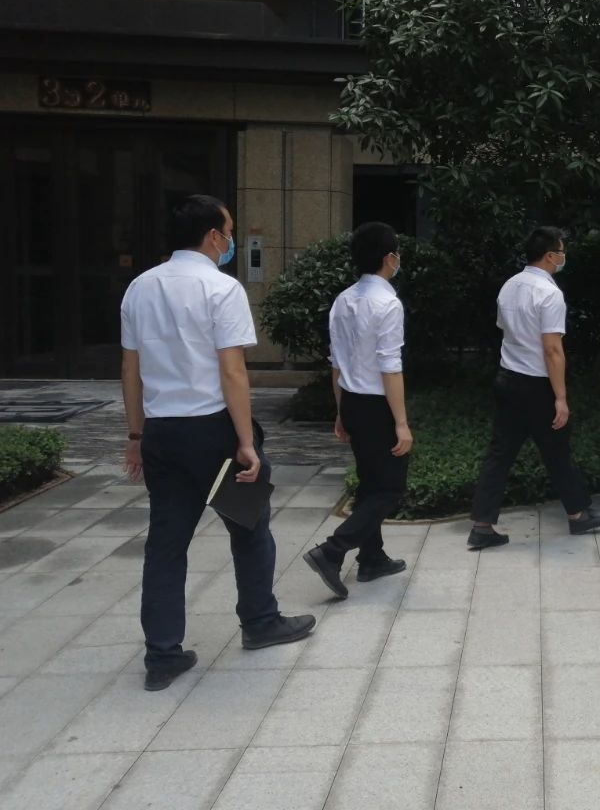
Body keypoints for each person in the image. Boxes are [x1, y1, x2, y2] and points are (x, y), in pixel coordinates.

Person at [121, 194, 315, 692]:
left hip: (162, 432)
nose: (230, 240)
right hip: (213, 432)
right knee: (249, 527)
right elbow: (233, 371)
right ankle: (260, 622)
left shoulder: (140, 287)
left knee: (165, 546)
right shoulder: (222, 288)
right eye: (229, 232)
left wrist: (136, 435)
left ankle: (162, 655)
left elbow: (131, 369)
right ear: (213, 236)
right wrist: (246, 441)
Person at [467, 227, 600, 549]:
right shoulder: (549, 293)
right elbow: (552, 349)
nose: (563, 256)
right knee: (558, 450)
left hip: (508, 378)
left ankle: (482, 525)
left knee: (499, 454)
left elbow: (506, 331)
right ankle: (578, 515)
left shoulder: (509, 286)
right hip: (536, 384)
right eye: (561, 251)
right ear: (549, 256)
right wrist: (560, 397)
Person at [303, 222, 412, 599]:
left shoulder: (343, 300)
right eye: (396, 253)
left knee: (370, 482)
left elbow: (337, 362)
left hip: (351, 400)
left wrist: (340, 411)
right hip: (376, 405)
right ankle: (332, 551)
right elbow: (390, 366)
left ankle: (372, 557)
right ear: (389, 258)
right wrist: (401, 422)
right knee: (390, 487)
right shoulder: (388, 304)